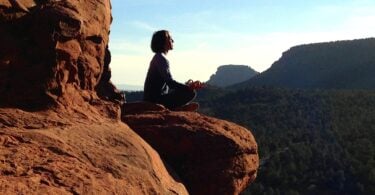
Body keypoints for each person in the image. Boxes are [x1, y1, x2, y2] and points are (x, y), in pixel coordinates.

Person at [143, 30, 204, 111]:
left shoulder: (158, 57)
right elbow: (170, 83)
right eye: (170, 38)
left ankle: (177, 108)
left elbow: (168, 83)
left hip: (154, 98)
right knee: (190, 92)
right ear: (163, 41)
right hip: (155, 100)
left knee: (187, 90)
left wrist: (185, 86)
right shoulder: (160, 58)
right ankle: (177, 109)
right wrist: (188, 87)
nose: (173, 41)